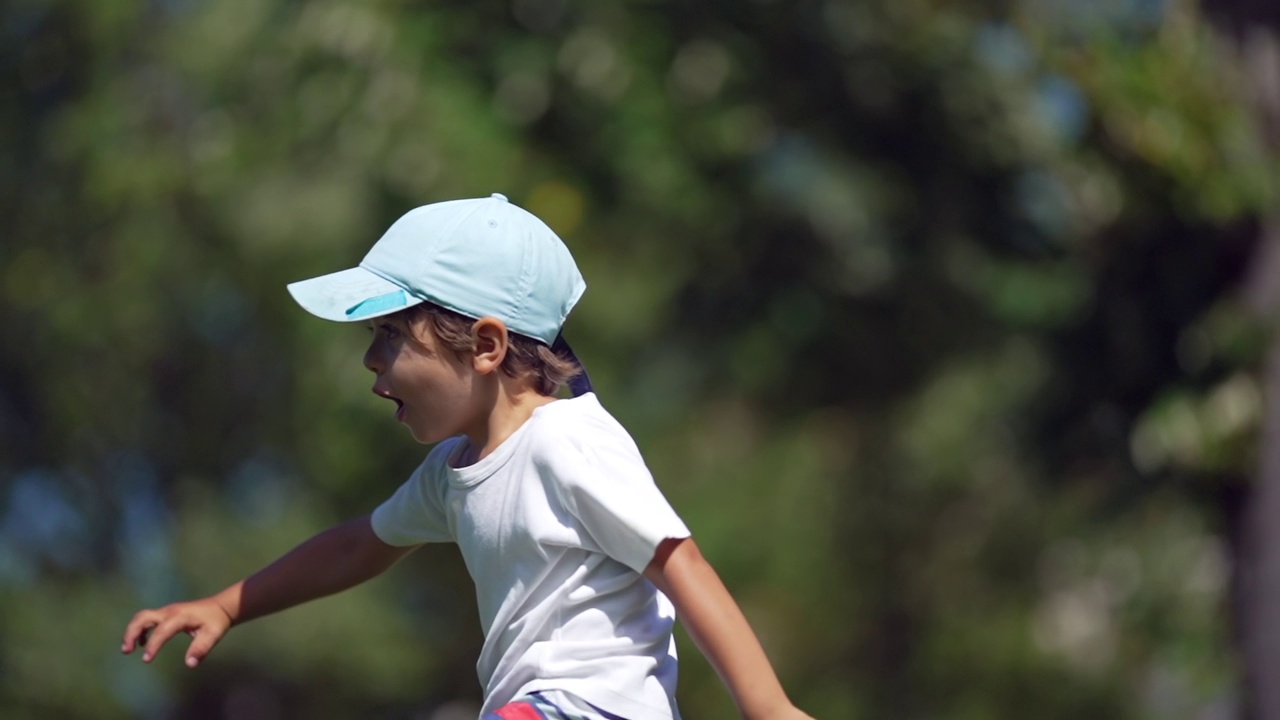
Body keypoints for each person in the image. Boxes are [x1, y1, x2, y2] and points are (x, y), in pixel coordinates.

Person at [121, 193, 813, 720]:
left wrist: (769, 709)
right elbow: (356, 547)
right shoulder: (454, 471)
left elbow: (679, 563)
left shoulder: (568, 443)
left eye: (392, 334)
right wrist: (228, 605)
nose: (370, 358)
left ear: (485, 346)